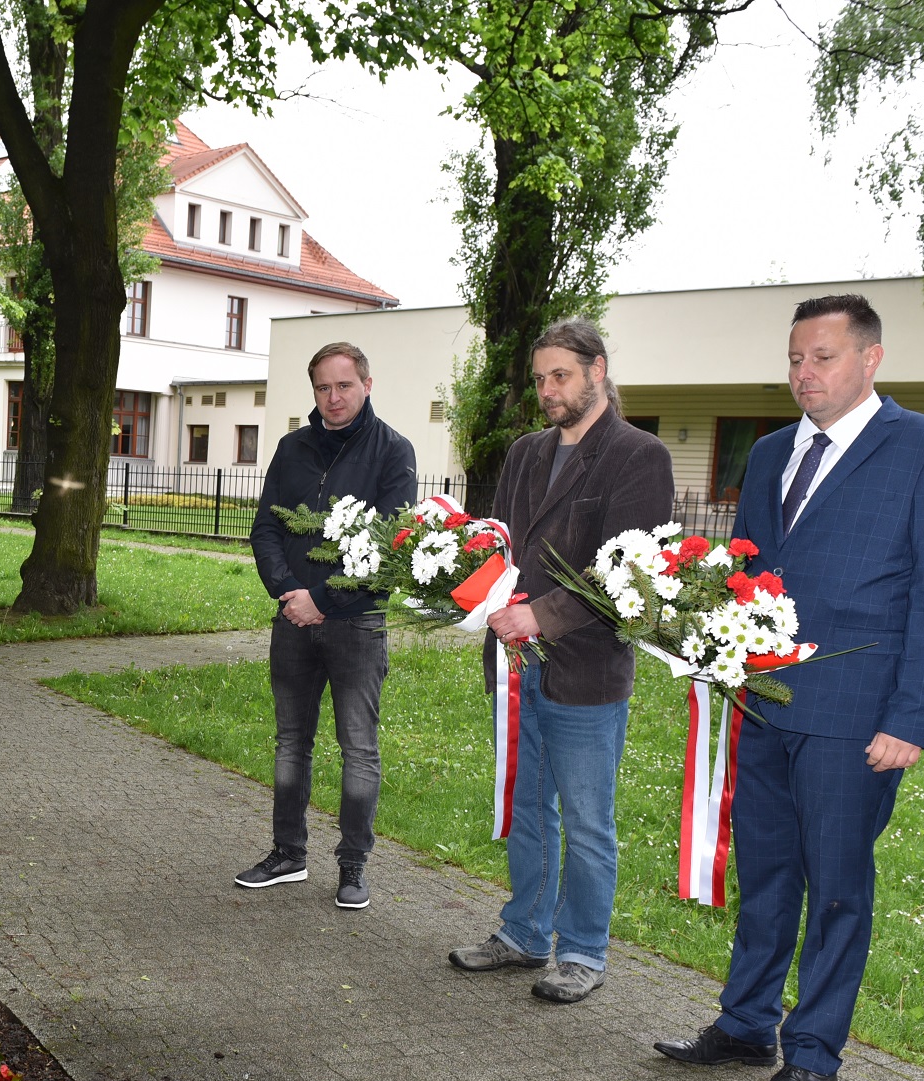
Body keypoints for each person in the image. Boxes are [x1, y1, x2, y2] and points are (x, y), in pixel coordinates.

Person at [654, 293, 924, 1081]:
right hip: (763, 702)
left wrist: (911, 719)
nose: (805, 373)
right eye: (796, 358)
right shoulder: (771, 453)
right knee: (765, 875)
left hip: (855, 717)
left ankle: (813, 1055)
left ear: (871, 359)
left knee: (836, 887)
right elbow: (748, 573)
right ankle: (745, 1024)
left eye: (823, 357)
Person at [446, 319, 674, 1003]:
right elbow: (503, 548)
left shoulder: (638, 456)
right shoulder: (524, 453)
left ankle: (581, 952)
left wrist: (541, 616)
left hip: (587, 667)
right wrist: (463, 585)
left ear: (597, 370)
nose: (548, 390)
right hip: (517, 663)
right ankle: (524, 934)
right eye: (541, 378)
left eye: (561, 376)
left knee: (585, 819)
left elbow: (630, 574)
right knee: (528, 807)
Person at [239, 342, 418, 910]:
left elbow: (387, 546)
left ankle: (353, 867)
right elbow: (266, 527)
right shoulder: (292, 448)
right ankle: (288, 854)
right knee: (291, 741)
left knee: (358, 748)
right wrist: (288, 591)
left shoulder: (394, 452)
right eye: (323, 387)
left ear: (367, 384)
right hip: (292, 617)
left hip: (356, 624)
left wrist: (321, 599)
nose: (333, 397)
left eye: (344, 385)